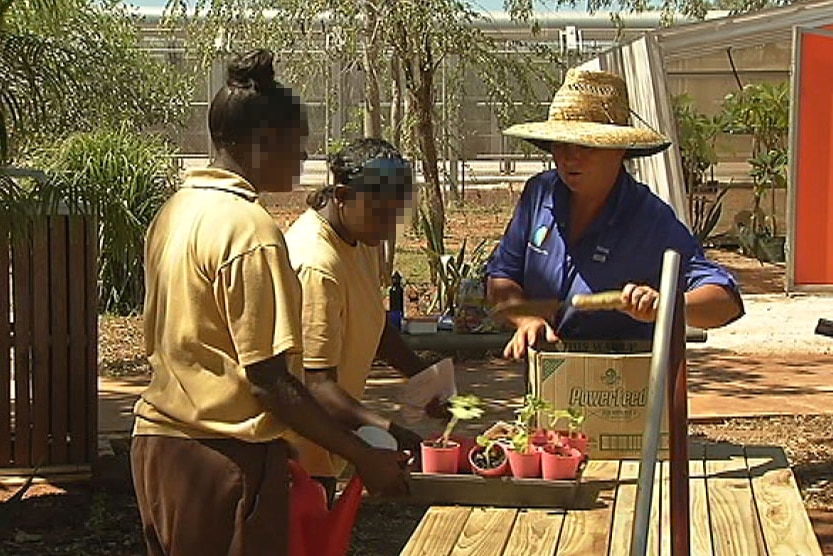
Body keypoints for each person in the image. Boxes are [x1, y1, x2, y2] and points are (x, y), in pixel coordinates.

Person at [130, 50, 409, 556]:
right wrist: (361, 455)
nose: (304, 160)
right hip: (221, 457)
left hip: (157, 447)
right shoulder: (250, 229)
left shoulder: (176, 209)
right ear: (264, 143)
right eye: (297, 145)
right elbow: (271, 380)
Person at [486, 68, 745, 359]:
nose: (570, 157)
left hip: (619, 392)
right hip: (544, 384)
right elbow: (502, 275)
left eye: (586, 146)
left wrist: (667, 306)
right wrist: (527, 319)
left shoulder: (649, 219)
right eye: (560, 144)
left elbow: (725, 301)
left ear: (619, 150)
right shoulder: (538, 196)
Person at [284, 138, 448, 502]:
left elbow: (373, 323)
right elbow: (318, 388)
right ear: (342, 195)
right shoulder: (316, 264)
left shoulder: (361, 239)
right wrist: (387, 429)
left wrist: (425, 380)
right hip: (295, 456)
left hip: (324, 445)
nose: (388, 228)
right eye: (379, 214)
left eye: (394, 215)